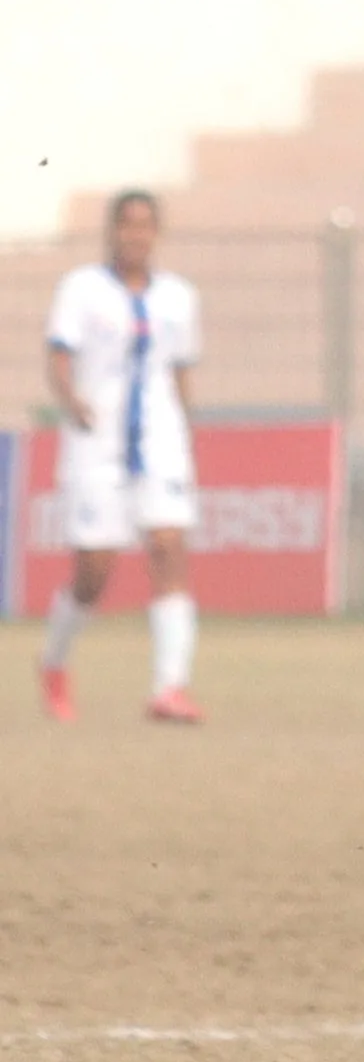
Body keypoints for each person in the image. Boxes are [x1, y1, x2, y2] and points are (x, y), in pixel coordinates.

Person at [38, 190, 205, 725]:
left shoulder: (178, 297)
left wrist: (186, 428)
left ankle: (170, 688)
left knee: (168, 545)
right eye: (127, 224)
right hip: (98, 439)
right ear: (111, 231)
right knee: (95, 570)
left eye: (146, 225)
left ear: (157, 233)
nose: (136, 234)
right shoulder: (82, 290)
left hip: (160, 440)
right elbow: (59, 355)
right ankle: (54, 660)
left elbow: (180, 369)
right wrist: (70, 401)